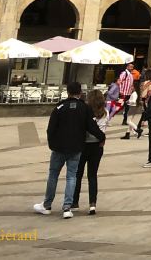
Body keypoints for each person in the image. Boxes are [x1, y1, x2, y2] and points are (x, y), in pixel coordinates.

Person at [34, 81, 104, 219]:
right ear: (80, 92)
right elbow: (92, 126)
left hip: (59, 147)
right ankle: (67, 207)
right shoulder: (84, 108)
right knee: (71, 176)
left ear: (68, 92)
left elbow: (51, 128)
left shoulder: (60, 107)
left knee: (53, 174)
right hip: (76, 147)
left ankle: (47, 205)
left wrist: (52, 144)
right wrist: (102, 137)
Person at [75, 89, 106, 214]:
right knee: (92, 175)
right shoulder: (105, 113)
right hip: (97, 146)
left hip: (83, 145)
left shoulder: (84, 112)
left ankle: (74, 201)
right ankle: (92, 203)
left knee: (78, 174)